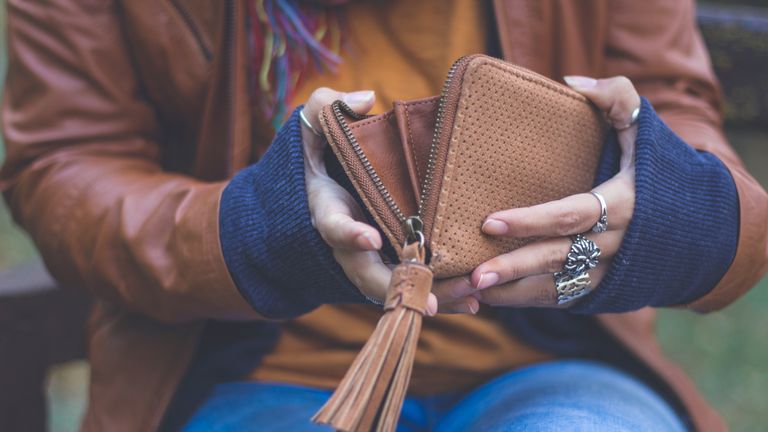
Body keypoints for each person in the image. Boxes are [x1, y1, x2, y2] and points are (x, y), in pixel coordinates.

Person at [1, 0, 766, 431]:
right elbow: (62, 168)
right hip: (251, 377)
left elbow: (677, 112)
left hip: (550, 368)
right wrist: (251, 232)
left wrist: (677, 214)